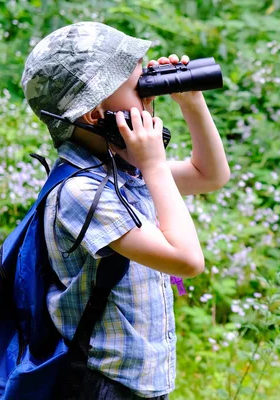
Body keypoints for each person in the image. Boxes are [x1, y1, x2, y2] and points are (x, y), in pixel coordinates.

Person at [20, 21, 230, 399]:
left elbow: (209, 175)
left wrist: (191, 103)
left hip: (138, 379)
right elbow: (187, 261)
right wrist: (153, 164)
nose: (151, 93)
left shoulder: (119, 170)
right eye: (140, 87)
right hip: (103, 382)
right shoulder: (80, 192)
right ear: (95, 114)